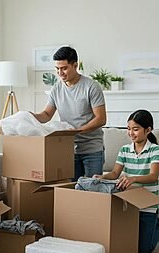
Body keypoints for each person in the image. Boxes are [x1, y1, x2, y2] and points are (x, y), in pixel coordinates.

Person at [31, 46, 107, 180]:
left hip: (92, 149)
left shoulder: (91, 86)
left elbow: (101, 119)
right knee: (71, 191)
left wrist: (76, 131)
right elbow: (47, 115)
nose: (60, 72)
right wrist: (30, 116)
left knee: (94, 190)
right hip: (68, 149)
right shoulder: (56, 88)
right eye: (57, 68)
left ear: (75, 65)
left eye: (64, 68)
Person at [94, 109, 159, 253]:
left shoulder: (155, 150)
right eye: (129, 129)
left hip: (148, 204)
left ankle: (157, 222)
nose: (131, 133)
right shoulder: (124, 150)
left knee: (144, 249)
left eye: (136, 129)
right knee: (125, 243)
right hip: (130, 203)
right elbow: (115, 173)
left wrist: (133, 178)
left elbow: (154, 176)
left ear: (148, 130)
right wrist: (102, 177)